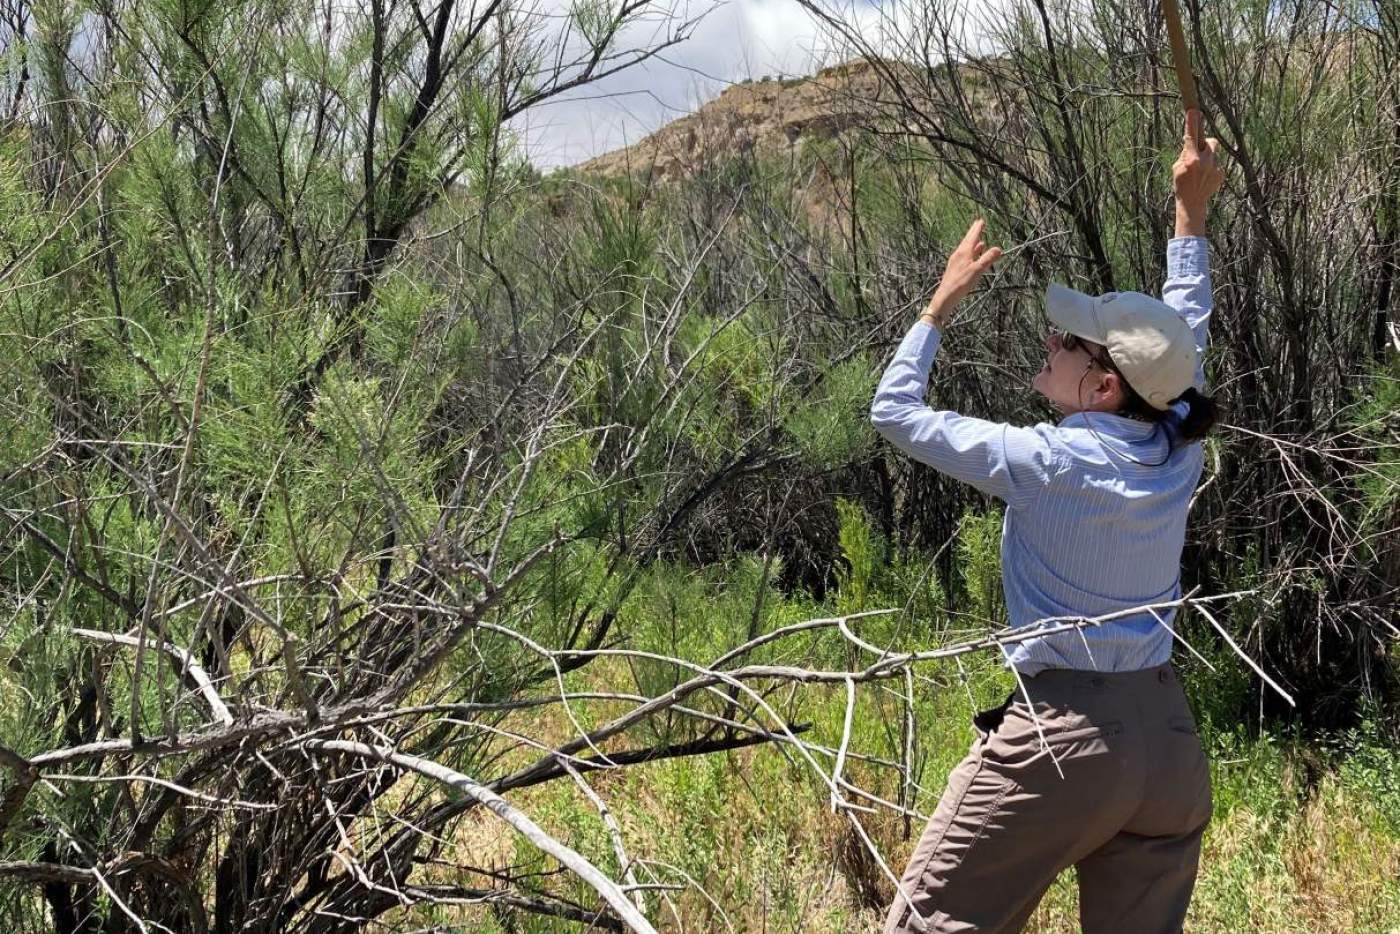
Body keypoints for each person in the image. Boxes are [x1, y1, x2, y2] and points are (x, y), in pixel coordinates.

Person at [869, 111, 1225, 934]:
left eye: (1071, 341)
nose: (1053, 340)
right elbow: (1183, 329)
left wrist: (939, 305)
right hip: (1169, 746)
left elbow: (894, 411)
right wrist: (1189, 213)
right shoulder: (1177, 438)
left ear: (1103, 387)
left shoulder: (1044, 462)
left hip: (1063, 743)